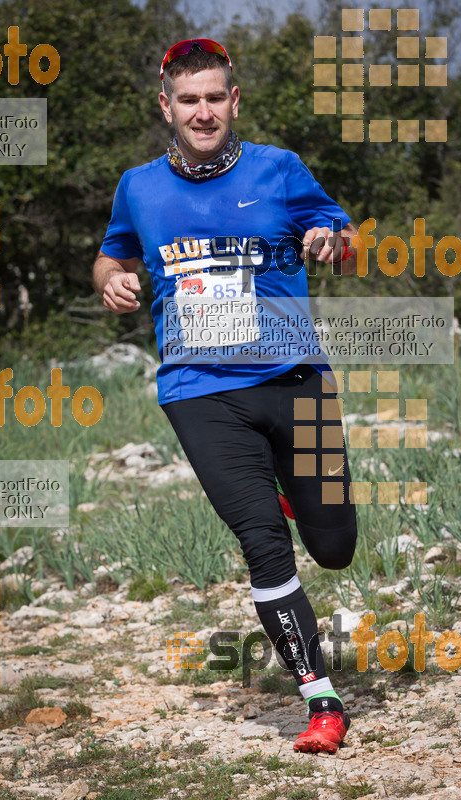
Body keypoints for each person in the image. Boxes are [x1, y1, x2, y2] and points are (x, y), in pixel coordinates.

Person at [93, 38, 358, 755]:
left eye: (214, 97)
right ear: (166, 107)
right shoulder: (138, 186)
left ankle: (290, 486)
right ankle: (321, 700)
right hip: (198, 390)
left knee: (333, 547)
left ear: (233, 101)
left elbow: (342, 230)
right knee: (262, 546)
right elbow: (111, 252)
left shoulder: (280, 169)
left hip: (294, 380)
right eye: (189, 100)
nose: (203, 111)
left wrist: (332, 240)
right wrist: (109, 279)